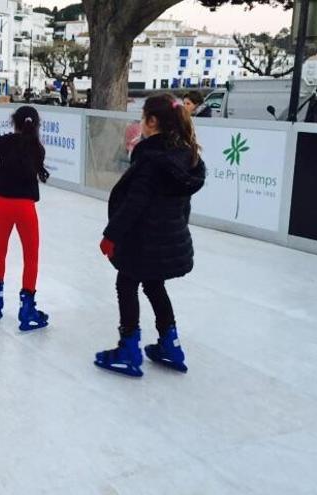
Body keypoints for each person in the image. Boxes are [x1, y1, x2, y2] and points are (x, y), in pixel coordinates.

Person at [94, 94, 206, 378]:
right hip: (167, 239)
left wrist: (111, 235)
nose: (141, 123)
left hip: (143, 241)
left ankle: (129, 348)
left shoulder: (151, 159)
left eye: (143, 118)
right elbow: (184, 206)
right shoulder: (185, 156)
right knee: (154, 285)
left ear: (152, 122)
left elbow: (135, 203)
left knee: (126, 283)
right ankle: (171, 344)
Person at [0, 106, 51, 332]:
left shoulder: (6, 141)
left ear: (14, 122)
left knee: (0, 250)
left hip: (3, 205)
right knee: (31, 257)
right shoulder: (37, 148)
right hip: (26, 207)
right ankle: (27, 307)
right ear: (35, 125)